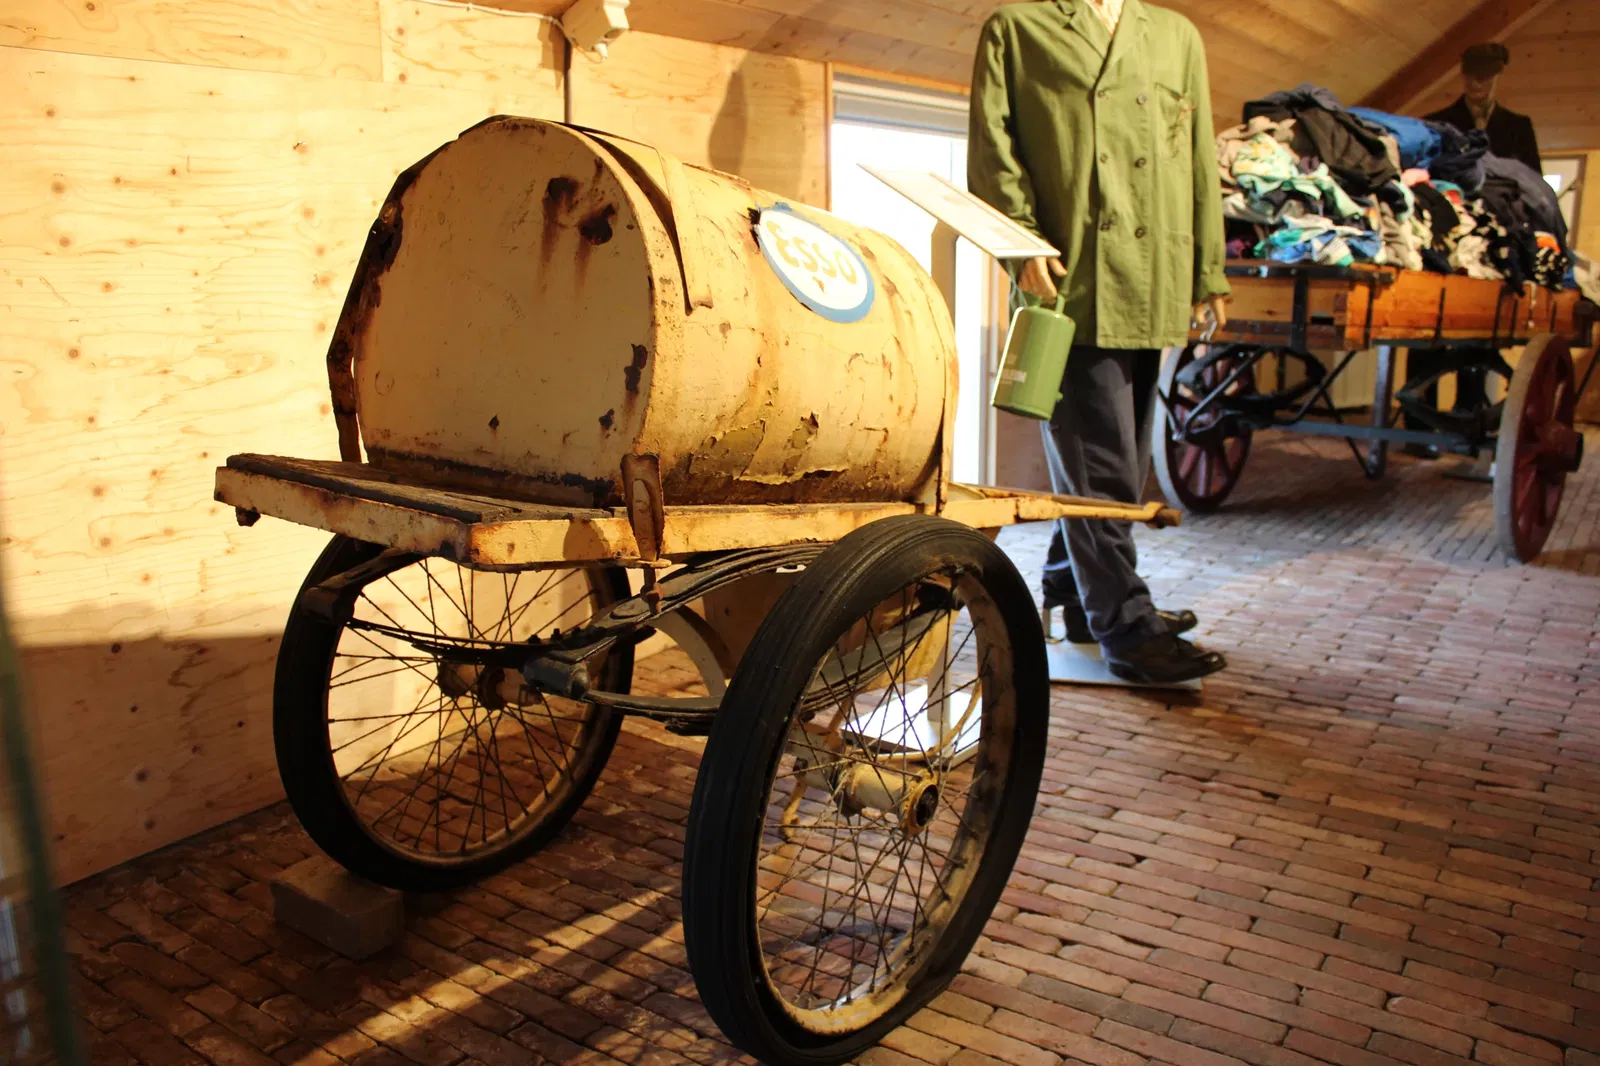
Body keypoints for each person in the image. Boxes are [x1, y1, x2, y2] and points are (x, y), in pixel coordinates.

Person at [968, 0, 1229, 685]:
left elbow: (1199, 157)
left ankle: (1078, 597)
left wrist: (1208, 271)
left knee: (1117, 458)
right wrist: (1016, 243)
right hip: (1074, 280)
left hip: (1157, 276)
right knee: (1103, 468)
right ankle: (1128, 630)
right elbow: (994, 152)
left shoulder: (1177, 37)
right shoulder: (1018, 30)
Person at [1403, 42, 1544, 455]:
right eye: (1471, 74)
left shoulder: (1518, 127)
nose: (1478, 83)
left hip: (1494, 240)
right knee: (1427, 328)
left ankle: (1469, 421)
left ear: (1499, 75)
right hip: (1444, 231)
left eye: (1486, 75)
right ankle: (1420, 426)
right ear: (1462, 75)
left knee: (1478, 337)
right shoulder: (1438, 123)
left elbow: (1531, 186)